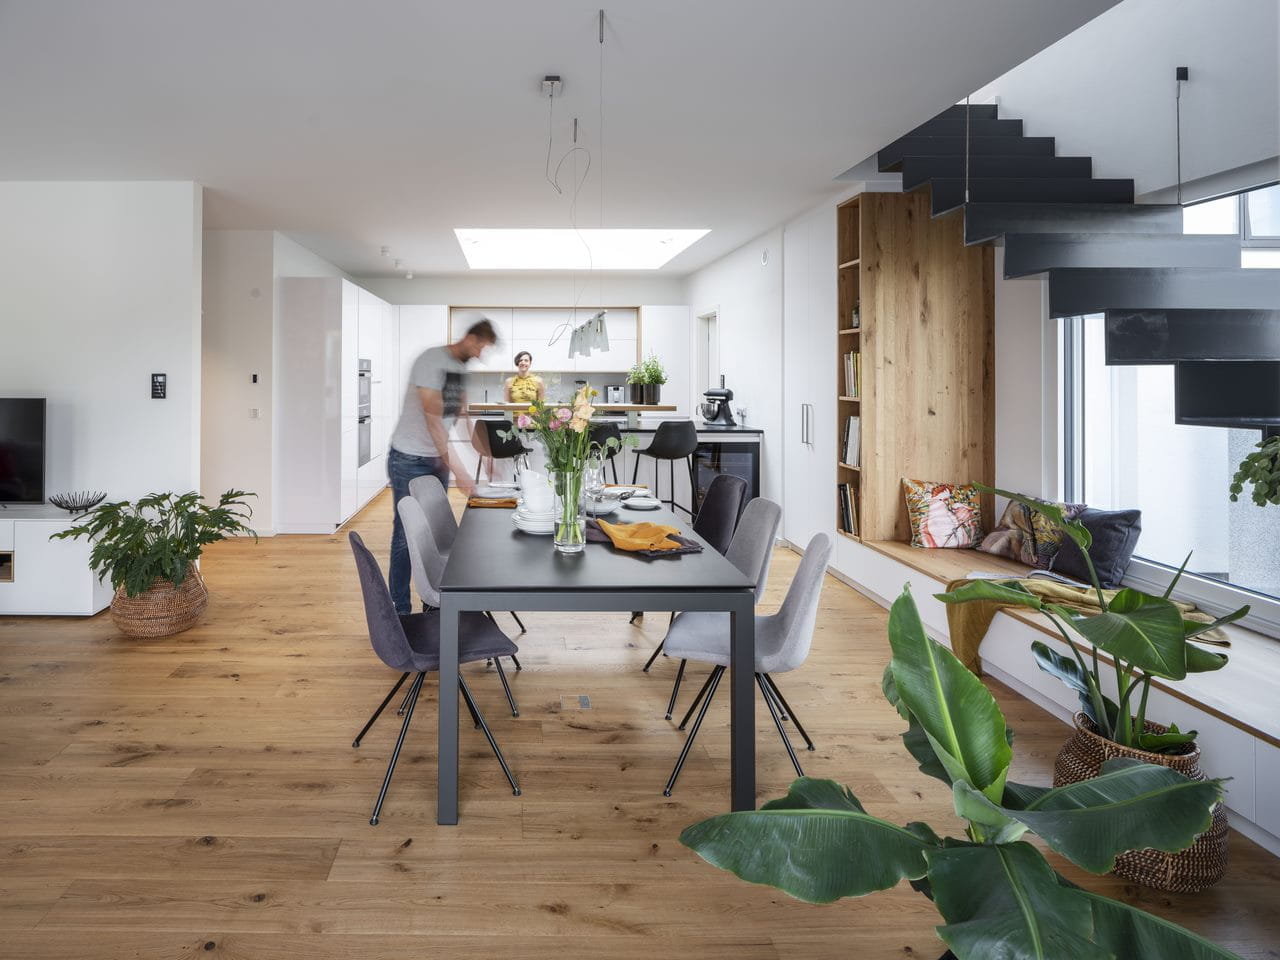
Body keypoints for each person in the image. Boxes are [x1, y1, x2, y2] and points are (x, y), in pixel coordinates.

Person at [387, 318, 497, 614]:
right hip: (408, 458)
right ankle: (399, 609)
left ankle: (431, 603)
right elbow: (434, 421)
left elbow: (463, 416)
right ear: (470, 338)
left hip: (436, 460)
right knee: (406, 534)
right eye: (481, 347)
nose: (480, 355)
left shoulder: (460, 370)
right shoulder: (430, 360)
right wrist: (461, 472)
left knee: (434, 532)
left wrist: (485, 455)